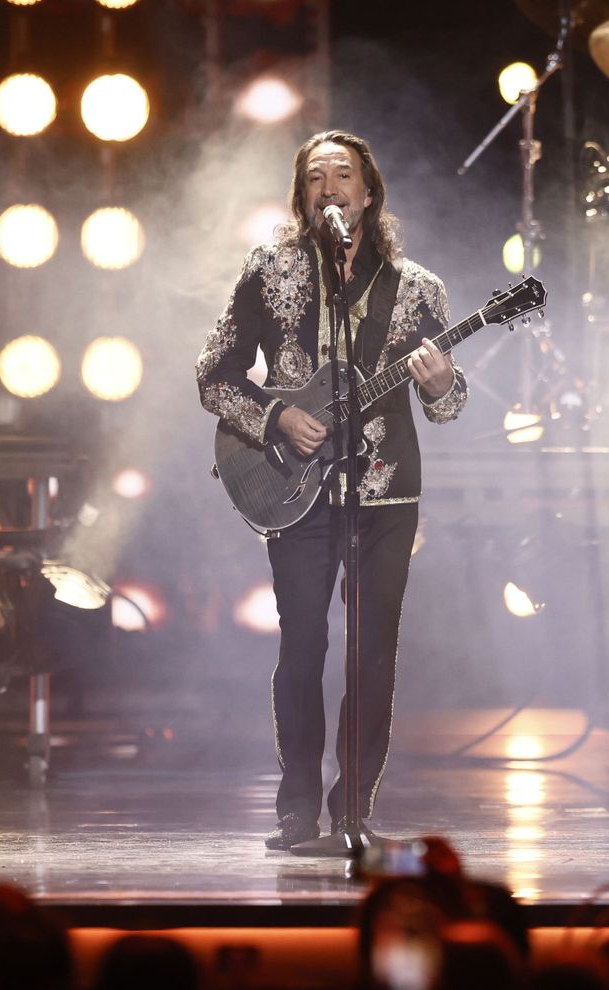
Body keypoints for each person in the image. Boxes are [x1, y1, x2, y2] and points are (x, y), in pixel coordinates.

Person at [197, 130, 468, 851]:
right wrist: (277, 415)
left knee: (374, 651)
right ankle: (296, 811)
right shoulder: (269, 270)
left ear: (368, 193)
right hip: (295, 487)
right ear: (301, 196)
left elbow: (447, 404)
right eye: (313, 176)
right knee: (305, 644)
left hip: (385, 491)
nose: (328, 186)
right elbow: (213, 376)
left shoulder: (418, 289)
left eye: (341, 174)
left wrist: (443, 386)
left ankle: (353, 809)